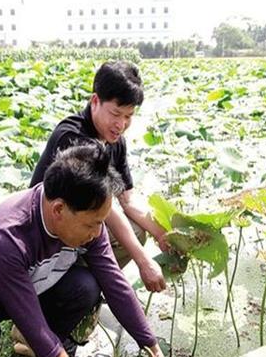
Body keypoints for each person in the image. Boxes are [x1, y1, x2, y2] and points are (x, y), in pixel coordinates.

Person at [0, 143, 175, 357]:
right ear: (58, 210)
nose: (98, 233)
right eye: (92, 224)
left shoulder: (82, 219)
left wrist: (153, 349)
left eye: (101, 223)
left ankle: (37, 348)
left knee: (86, 285)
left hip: (32, 283)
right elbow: (31, 320)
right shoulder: (4, 236)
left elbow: (115, 284)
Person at [30, 61, 168, 293]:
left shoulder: (115, 141)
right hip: (47, 236)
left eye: (128, 116)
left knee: (137, 231)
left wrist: (162, 234)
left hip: (82, 226)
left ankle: (88, 284)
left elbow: (128, 200)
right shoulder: (72, 137)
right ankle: (64, 289)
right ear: (95, 101)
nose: (121, 125)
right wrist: (144, 261)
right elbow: (108, 209)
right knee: (98, 273)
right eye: (115, 113)